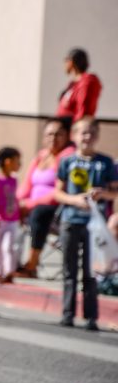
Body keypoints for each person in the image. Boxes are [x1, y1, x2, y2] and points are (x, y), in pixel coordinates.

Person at [53, 118, 117, 331]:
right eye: (83, 133)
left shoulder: (106, 163)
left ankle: (91, 316)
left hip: (94, 225)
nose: (87, 137)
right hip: (71, 220)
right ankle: (67, 313)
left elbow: (115, 191)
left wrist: (102, 194)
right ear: (74, 136)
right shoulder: (67, 161)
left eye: (91, 133)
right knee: (69, 269)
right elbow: (58, 191)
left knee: (91, 271)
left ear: (97, 136)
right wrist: (75, 200)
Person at [15, 118, 73, 278]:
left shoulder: (68, 158)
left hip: (55, 210)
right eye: (49, 134)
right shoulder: (41, 156)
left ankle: (31, 265)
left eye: (58, 134)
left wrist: (29, 204)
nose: (53, 139)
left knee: (39, 213)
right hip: (30, 207)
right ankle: (9, 262)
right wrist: (17, 203)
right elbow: (27, 184)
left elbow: (57, 193)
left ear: (67, 136)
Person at [0, 147, 22, 285]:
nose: (19, 164)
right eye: (17, 161)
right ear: (8, 162)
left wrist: (19, 215)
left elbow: (15, 199)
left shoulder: (14, 180)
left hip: (12, 220)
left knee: (9, 246)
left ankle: (9, 272)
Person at [55, 48, 102, 126]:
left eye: (66, 60)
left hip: (73, 128)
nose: (64, 64)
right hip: (63, 128)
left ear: (71, 62)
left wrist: (76, 128)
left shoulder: (87, 81)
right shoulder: (73, 83)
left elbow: (83, 109)